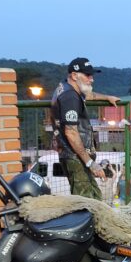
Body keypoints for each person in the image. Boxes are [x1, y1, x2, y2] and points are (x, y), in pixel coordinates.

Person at [50, 57, 120, 200]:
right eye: (88, 75)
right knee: (86, 203)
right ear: (74, 75)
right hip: (75, 157)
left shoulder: (66, 88)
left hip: (74, 156)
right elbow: (71, 132)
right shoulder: (70, 97)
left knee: (95, 198)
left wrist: (107, 97)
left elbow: (88, 95)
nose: (91, 79)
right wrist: (90, 163)